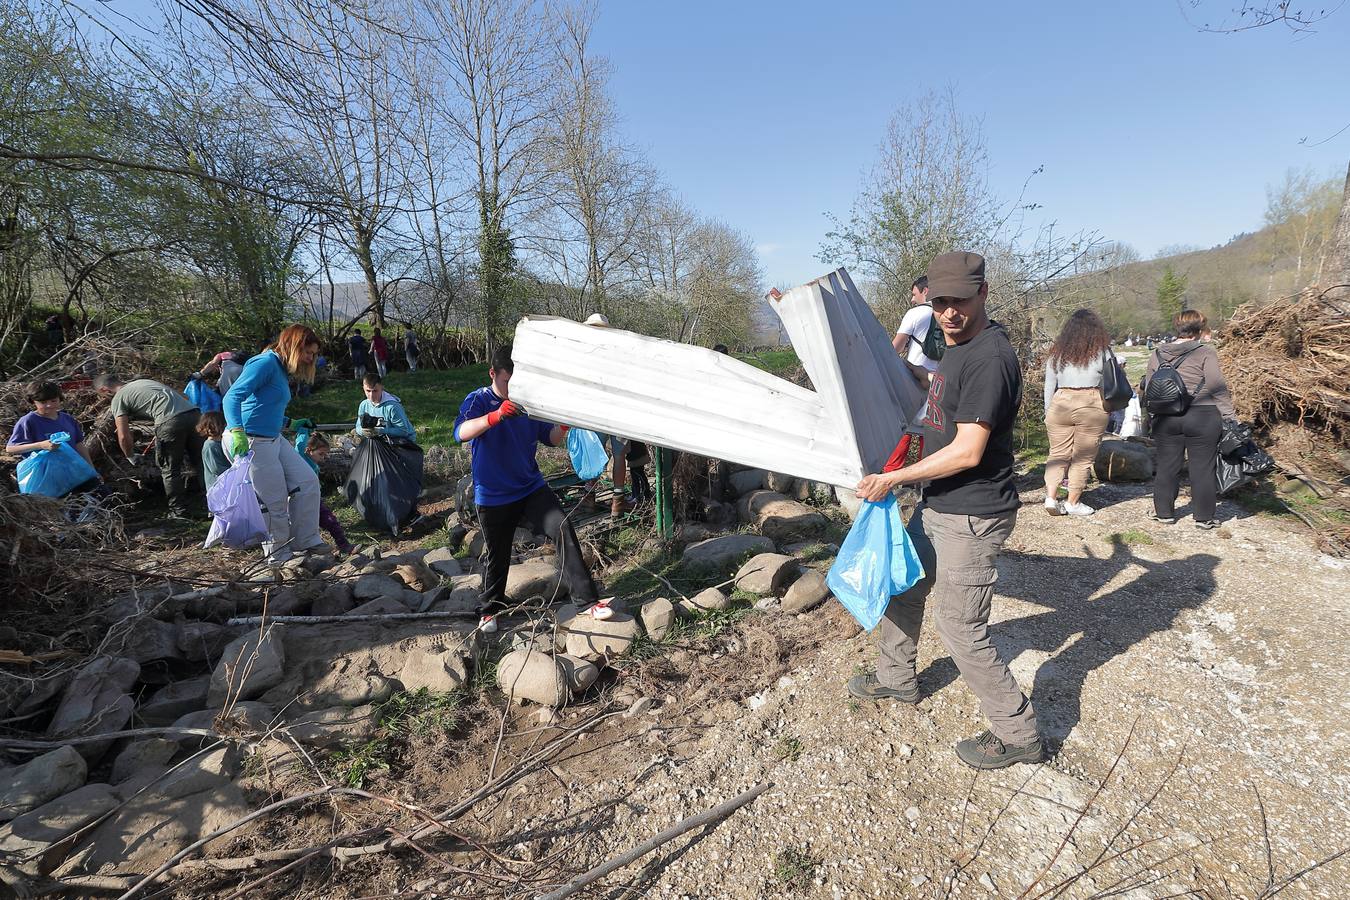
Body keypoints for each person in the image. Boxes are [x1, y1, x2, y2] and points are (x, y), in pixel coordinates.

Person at [850, 251, 1043, 770]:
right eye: (940, 302)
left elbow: (968, 451)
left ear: (984, 293)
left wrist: (891, 478)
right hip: (940, 503)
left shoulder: (990, 357)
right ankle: (896, 679)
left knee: (960, 626)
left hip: (973, 515)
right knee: (905, 585)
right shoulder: (955, 345)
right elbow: (938, 400)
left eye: (959, 300)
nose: (949, 311)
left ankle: (1018, 732)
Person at [454, 345, 599, 633]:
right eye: (507, 381)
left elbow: (552, 438)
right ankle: (490, 609)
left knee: (562, 527)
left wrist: (565, 423)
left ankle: (587, 601)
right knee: (498, 552)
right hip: (493, 494)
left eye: (517, 382)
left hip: (530, 487)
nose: (512, 388)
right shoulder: (479, 400)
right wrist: (495, 416)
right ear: (493, 374)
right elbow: (461, 432)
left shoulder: (529, 403)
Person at [222, 324, 324, 568]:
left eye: (313, 354)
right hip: (251, 440)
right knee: (274, 500)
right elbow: (232, 397)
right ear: (294, 346)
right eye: (308, 353)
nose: (311, 358)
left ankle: (306, 539)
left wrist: (290, 422)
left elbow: (264, 406)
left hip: (272, 437)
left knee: (307, 481)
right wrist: (237, 430)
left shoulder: (279, 368)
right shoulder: (264, 363)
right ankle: (277, 556)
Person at [1145, 310, 1235, 529]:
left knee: (1167, 465)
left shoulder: (1157, 353)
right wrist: (1230, 417)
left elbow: (1149, 388)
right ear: (1199, 329)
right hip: (1202, 415)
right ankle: (1204, 518)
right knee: (1202, 468)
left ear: (1178, 327)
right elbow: (1216, 387)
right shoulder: (1205, 352)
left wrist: (1151, 418)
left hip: (1166, 417)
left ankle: (1164, 513)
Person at [94, 374, 202, 519]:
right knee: (202, 463)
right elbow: (184, 397)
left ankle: (178, 512)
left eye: (102, 396)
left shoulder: (118, 399)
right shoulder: (143, 382)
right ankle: (213, 504)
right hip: (194, 414)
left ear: (105, 390)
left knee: (170, 469)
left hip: (170, 420)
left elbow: (123, 435)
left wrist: (130, 455)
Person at [1041, 309, 1114, 517]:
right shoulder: (1102, 351)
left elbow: (1049, 384)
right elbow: (1110, 381)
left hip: (1061, 401)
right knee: (1082, 458)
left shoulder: (1058, 351)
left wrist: (1048, 411)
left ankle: (1051, 498)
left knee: (1057, 454)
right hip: (1091, 402)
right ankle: (1073, 502)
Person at [6, 382, 100, 490]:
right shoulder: (28, 421)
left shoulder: (67, 419)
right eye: (43, 402)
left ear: (60, 399)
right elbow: (11, 449)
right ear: (33, 402)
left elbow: (79, 444)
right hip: (47, 478)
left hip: (75, 471)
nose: (49, 405)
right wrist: (41, 445)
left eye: (53, 401)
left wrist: (91, 469)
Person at [294, 425, 355, 555]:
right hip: (302, 500)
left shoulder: (313, 463)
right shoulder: (300, 458)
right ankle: (303, 549)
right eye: (321, 454)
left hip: (315, 499)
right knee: (304, 526)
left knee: (331, 521)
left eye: (325, 454)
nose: (324, 457)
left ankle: (344, 546)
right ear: (308, 450)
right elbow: (299, 445)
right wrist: (303, 430)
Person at [891, 275, 942, 390]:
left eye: (914, 295)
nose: (912, 300)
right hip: (939, 382)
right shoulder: (946, 315)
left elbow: (895, 348)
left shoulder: (914, 313)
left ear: (925, 291)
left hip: (915, 379)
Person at [355, 373, 415, 440]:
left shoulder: (393, 406)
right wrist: (363, 432)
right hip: (379, 441)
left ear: (382, 388)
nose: (371, 395)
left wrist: (380, 431)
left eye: (375, 391)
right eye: (368, 391)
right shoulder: (364, 405)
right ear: (363, 388)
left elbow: (404, 431)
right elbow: (358, 426)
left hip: (402, 443)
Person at [196, 411, 231, 492]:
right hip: (217, 487)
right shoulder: (210, 446)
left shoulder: (220, 442)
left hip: (225, 484)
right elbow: (216, 469)